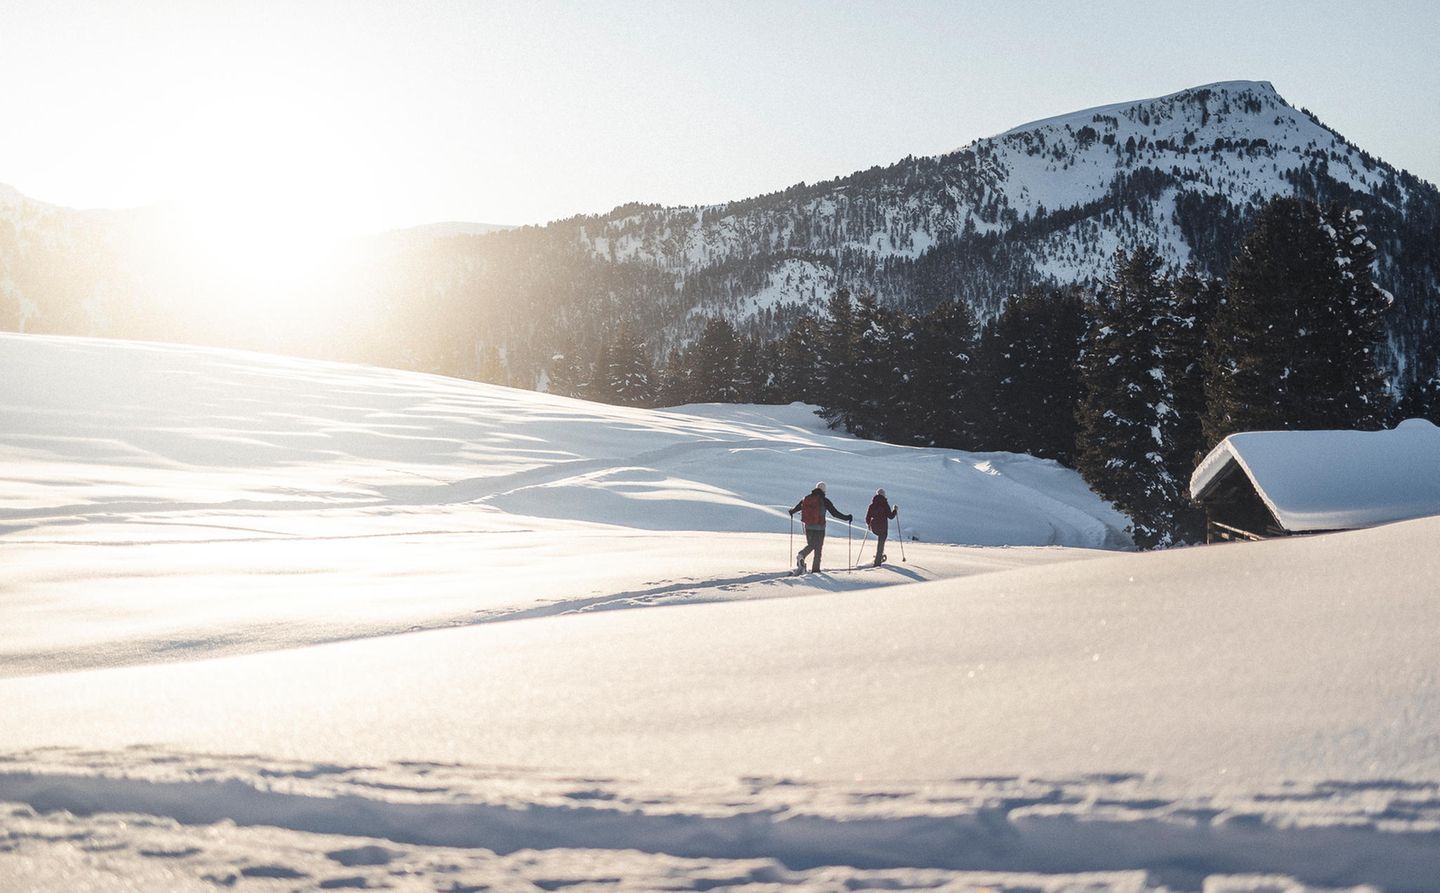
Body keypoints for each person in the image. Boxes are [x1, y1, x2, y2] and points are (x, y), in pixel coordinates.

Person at [788, 481, 852, 573]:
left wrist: (791, 511)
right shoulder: (824, 500)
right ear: (824, 490)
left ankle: (802, 556)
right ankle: (814, 569)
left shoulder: (806, 499)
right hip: (820, 528)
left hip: (808, 527)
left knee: (811, 545)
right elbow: (835, 513)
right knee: (818, 549)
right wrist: (847, 517)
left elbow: (797, 508)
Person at [865, 488, 898, 567]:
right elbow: (890, 516)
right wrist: (895, 510)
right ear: (884, 495)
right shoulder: (885, 505)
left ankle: (879, 556)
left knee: (880, 541)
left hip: (874, 528)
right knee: (881, 544)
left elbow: (867, 518)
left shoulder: (872, 505)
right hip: (883, 528)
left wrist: (869, 525)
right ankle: (877, 561)